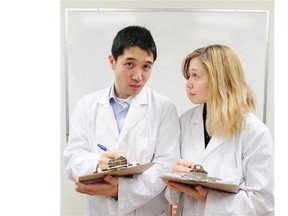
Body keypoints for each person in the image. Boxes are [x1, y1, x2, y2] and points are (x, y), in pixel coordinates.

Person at [63, 25, 180, 216]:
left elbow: (166, 166)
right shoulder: (86, 106)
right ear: (112, 61)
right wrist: (97, 162)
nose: (138, 76)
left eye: (146, 66)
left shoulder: (164, 108)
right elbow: (73, 158)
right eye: (129, 64)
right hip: (100, 209)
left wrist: (120, 190)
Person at [163, 44, 274, 215]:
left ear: (218, 79)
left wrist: (207, 197)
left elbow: (262, 202)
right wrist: (175, 177)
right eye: (188, 76)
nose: (188, 84)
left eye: (195, 76)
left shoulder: (254, 132)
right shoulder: (185, 121)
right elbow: (171, 196)